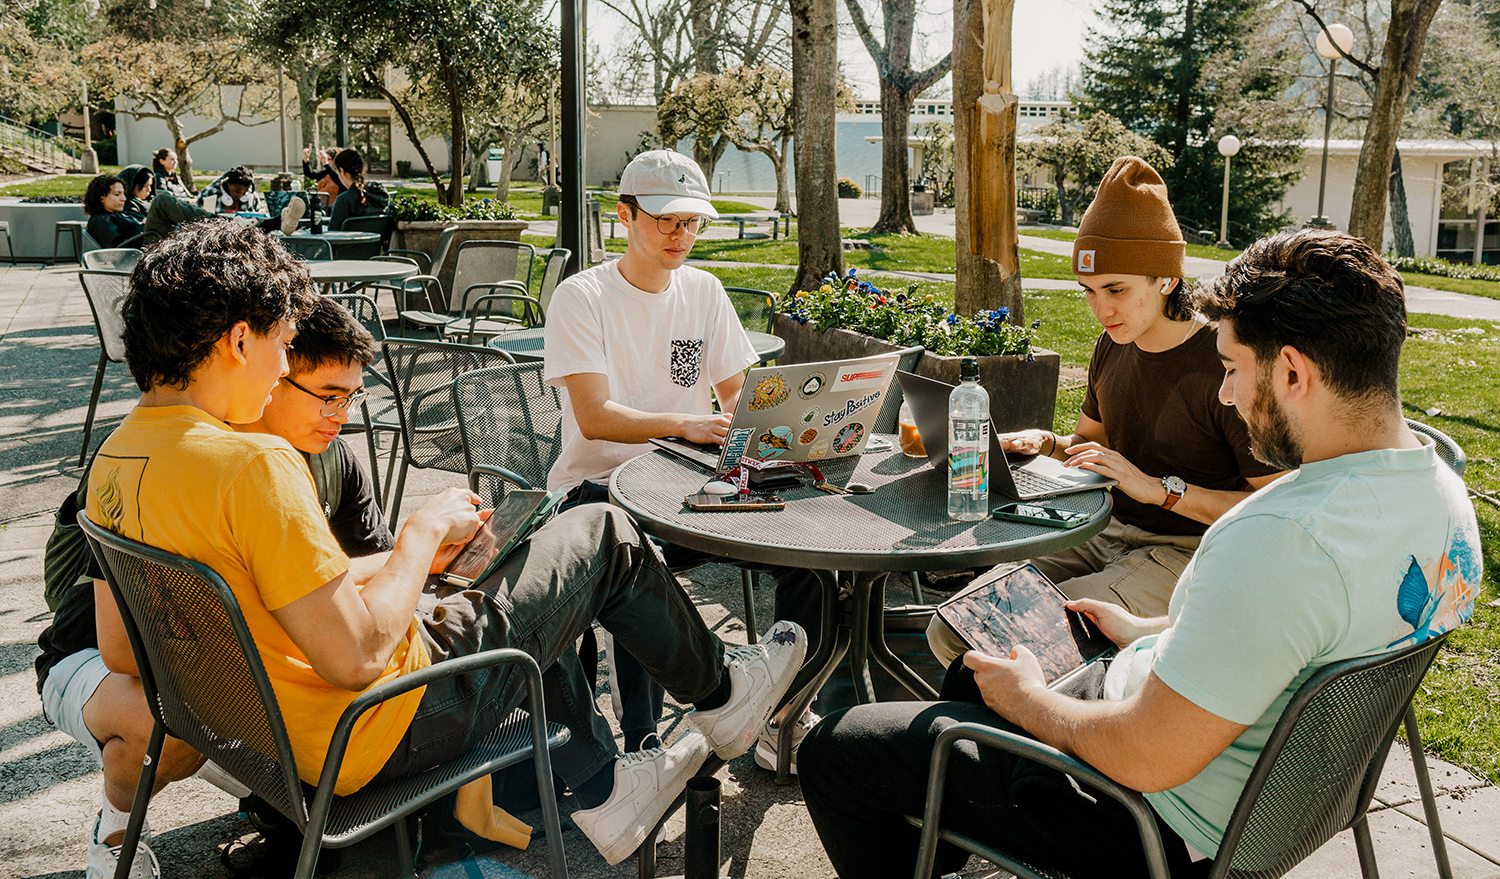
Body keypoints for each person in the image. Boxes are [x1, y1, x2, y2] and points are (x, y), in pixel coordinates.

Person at [83, 219, 807, 868]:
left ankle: (611, 783)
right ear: (241, 338)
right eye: (279, 345)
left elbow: (124, 652)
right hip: (374, 731)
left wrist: (405, 568)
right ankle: (720, 696)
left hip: (272, 739)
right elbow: (360, 655)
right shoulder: (254, 466)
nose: (280, 370)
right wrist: (420, 534)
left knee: (520, 577)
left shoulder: (114, 461)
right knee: (599, 531)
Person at [800, 229, 1482, 879]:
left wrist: (1035, 704)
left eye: (1233, 368)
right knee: (972, 671)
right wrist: (1150, 630)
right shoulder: (1442, 497)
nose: (1225, 393)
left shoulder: (1282, 537)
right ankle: (941, 831)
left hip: (1153, 823)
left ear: (1294, 372)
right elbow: (1297, 637)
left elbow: (1145, 757)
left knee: (837, 750)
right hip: (1269, 796)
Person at [37, 297, 391, 879]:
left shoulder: (331, 460)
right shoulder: (193, 463)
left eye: (354, 396)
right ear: (262, 368)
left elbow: (360, 570)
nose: (343, 415)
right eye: (327, 395)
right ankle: (116, 828)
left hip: (218, 659)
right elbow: (125, 646)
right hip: (110, 659)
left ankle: (294, 813)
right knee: (181, 720)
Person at [927, 156, 1281, 667]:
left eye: (1116, 290)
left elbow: (1269, 511)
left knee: (1017, 645)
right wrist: (1047, 444)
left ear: (1165, 278)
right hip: (1100, 529)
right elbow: (1095, 450)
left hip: (1187, 554)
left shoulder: (1224, 362)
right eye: (1090, 292)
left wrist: (1160, 491)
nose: (1101, 310)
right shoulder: (1113, 343)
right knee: (955, 627)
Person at [543, 149, 822, 770]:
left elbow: (739, 399)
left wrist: (798, 427)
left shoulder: (704, 289)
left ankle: (784, 717)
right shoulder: (582, 296)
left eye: (692, 222)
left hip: (692, 487)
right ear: (625, 216)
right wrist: (687, 423)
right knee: (643, 570)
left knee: (807, 558)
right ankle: (644, 742)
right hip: (599, 492)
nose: (681, 235)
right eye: (667, 220)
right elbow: (595, 417)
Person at [327, 147, 390, 230]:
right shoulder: (381, 194)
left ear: (341, 171)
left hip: (349, 242)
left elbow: (333, 233)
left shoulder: (344, 200)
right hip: (378, 243)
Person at [82, 174, 143, 249]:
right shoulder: (101, 221)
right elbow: (117, 248)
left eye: (124, 194)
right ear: (101, 198)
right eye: (117, 194)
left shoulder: (121, 214)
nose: (123, 198)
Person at [196, 165, 265, 216]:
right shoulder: (209, 193)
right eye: (236, 191)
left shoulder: (251, 195)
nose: (240, 195)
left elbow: (261, 216)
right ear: (228, 184)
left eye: (244, 193)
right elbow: (196, 216)